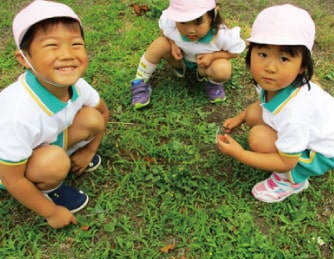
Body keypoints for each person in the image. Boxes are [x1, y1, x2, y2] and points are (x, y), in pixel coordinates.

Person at [216, 4, 334, 203]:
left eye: (284, 58)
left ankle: (292, 182)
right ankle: (273, 139)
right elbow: (259, 108)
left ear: (303, 66)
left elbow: (286, 161)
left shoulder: (296, 113)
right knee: (253, 112)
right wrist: (240, 118)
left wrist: (240, 154)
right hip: (302, 130)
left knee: (257, 138)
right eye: (263, 54)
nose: (269, 67)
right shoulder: (274, 84)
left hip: (319, 153)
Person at [0, 0, 109, 228]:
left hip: (48, 141)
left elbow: (103, 111)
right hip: (9, 167)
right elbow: (12, 178)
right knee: (54, 162)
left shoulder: (78, 86)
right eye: (52, 46)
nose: (68, 54)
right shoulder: (17, 113)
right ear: (24, 58)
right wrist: (51, 212)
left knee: (91, 118)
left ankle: (64, 158)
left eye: (76, 44)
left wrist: (90, 150)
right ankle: (52, 189)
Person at [130, 0, 246, 109]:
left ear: (213, 15)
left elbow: (235, 52)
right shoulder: (171, 23)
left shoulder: (221, 34)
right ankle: (140, 80)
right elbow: (163, 31)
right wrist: (172, 44)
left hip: (205, 66)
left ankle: (213, 83)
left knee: (222, 68)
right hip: (179, 61)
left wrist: (213, 57)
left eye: (198, 22)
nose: (190, 30)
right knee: (159, 44)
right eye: (183, 22)